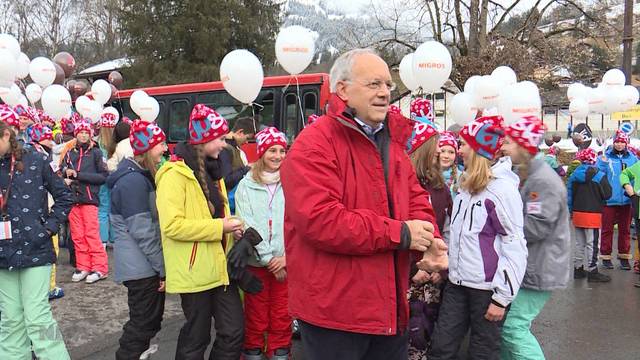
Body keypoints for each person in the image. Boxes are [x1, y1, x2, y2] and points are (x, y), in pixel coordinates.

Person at [280, 48, 447, 360]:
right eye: (374, 84)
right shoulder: (313, 144)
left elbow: (414, 197)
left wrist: (430, 238)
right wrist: (402, 234)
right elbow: (321, 221)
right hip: (336, 313)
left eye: (387, 85)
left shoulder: (391, 141)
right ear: (343, 89)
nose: (385, 93)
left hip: (387, 304)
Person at [429, 115, 528, 360]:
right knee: (441, 348)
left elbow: (514, 245)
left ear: (477, 149)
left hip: (487, 291)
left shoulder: (502, 190)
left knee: (482, 353)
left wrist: (502, 298)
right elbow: (457, 234)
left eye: (463, 145)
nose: (458, 150)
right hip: (457, 284)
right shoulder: (464, 184)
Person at [156, 104, 244, 360]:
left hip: (220, 267)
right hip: (194, 272)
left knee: (234, 332)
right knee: (197, 337)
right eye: (218, 138)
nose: (223, 144)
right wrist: (220, 227)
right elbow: (172, 226)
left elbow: (216, 215)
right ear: (203, 139)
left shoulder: (214, 171)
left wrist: (232, 230)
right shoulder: (173, 174)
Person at [0, 121, 74, 359]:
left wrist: (47, 229)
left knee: (38, 317)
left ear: (6, 135)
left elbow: (64, 196)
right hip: (3, 255)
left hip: (36, 250)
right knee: (10, 320)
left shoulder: (36, 159)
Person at [500, 116, 571, 359]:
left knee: (512, 327)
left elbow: (537, 226)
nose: (503, 147)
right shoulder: (531, 176)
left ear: (523, 145)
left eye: (509, 142)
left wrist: (500, 231)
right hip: (532, 266)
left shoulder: (542, 181)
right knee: (506, 325)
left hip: (540, 268)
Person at [108, 120, 167, 359]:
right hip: (142, 269)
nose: (165, 148)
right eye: (160, 144)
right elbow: (143, 231)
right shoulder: (133, 182)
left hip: (141, 267)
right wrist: (162, 269)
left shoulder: (137, 176)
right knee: (142, 324)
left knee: (146, 323)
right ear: (145, 148)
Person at [235, 127, 291, 360]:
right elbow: (246, 223)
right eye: (272, 150)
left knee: (282, 311)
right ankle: (253, 350)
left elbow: (298, 222)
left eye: (282, 150)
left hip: (285, 262)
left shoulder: (292, 182)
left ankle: (280, 350)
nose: (278, 155)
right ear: (261, 152)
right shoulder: (246, 185)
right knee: (256, 311)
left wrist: (287, 257)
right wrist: (269, 260)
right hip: (257, 263)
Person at [406, 114, 452, 360]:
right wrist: (413, 269)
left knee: (427, 331)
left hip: (433, 276)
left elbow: (447, 229)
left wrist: (440, 268)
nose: (441, 157)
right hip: (407, 275)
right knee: (408, 334)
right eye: (435, 152)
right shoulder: (400, 184)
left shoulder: (440, 188)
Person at [61, 118, 109, 284]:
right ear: (76, 133)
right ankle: (83, 266)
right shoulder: (70, 152)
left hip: (89, 199)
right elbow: (62, 170)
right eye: (80, 132)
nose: (82, 135)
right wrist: (64, 173)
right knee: (77, 236)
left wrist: (78, 176)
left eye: (85, 132)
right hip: (73, 199)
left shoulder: (96, 152)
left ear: (90, 134)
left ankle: (100, 268)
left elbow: (103, 176)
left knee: (91, 234)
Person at [568, 148, 612, 282]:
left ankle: (578, 269)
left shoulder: (574, 176)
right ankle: (593, 271)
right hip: (593, 213)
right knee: (592, 243)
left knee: (579, 242)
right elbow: (608, 194)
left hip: (577, 212)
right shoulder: (599, 175)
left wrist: (570, 211)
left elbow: (569, 196)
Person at [596, 130, 638, 270]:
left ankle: (624, 256)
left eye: (622, 142)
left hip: (626, 201)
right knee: (607, 229)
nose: (619, 144)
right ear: (613, 142)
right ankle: (606, 256)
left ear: (626, 143)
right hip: (609, 200)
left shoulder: (632, 158)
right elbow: (599, 175)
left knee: (625, 230)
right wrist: (601, 164)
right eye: (617, 141)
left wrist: (632, 193)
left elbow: (636, 176)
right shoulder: (605, 157)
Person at [97, 112, 118, 248]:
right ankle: (113, 238)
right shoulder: (116, 144)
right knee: (113, 209)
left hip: (102, 179)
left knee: (102, 210)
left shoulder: (97, 143)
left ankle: (103, 240)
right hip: (115, 178)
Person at [438, 131, 460, 199]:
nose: (446, 156)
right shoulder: (427, 176)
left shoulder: (461, 177)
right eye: (442, 151)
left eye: (451, 152)